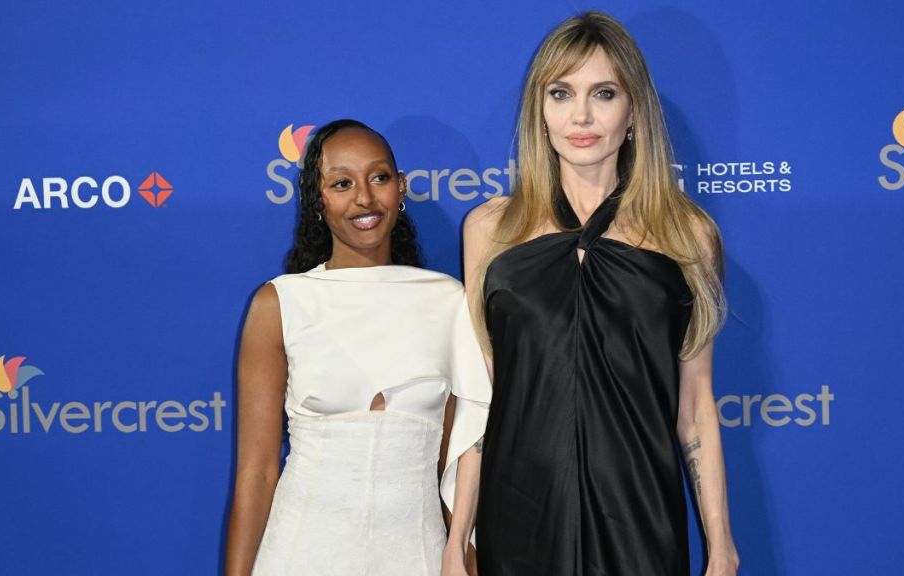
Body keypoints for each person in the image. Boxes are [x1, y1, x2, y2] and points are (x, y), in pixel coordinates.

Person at [452, 12, 739, 576]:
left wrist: (722, 548)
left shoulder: (687, 235)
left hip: (640, 515)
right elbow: (482, 394)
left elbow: (695, 405)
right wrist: (458, 537)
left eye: (603, 93)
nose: (580, 115)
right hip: (521, 511)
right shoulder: (489, 230)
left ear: (633, 111)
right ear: (540, 110)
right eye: (561, 93)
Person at [225, 119, 491, 576]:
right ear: (317, 200)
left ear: (401, 188)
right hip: (299, 554)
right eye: (342, 183)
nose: (364, 198)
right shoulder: (281, 302)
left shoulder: (449, 300)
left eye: (379, 178)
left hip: (418, 556)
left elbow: (457, 459)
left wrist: (465, 555)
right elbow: (258, 470)